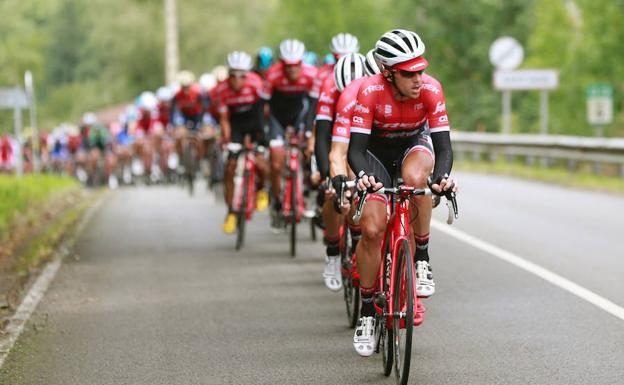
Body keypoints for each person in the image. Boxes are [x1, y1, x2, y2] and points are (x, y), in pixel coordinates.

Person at [347, 29, 458, 357]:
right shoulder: (368, 92)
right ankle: (367, 310)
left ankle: (421, 257)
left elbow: (444, 148)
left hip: (413, 147)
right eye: (409, 73)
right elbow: (355, 151)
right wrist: (365, 177)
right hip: (374, 155)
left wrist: (441, 178)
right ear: (388, 73)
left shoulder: (432, 90)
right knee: (370, 229)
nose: (418, 79)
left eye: (421, 70)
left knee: (416, 181)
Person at [314, 52, 367, 291]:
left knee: (359, 183)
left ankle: (358, 238)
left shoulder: (371, 89)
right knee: (333, 190)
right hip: (335, 136)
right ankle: (333, 251)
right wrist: (328, 175)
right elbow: (322, 136)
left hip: (359, 135)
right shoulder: (329, 88)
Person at [262, 39, 318, 230]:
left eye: (296, 65)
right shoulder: (272, 75)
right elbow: (263, 106)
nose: (292, 70)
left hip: (301, 116)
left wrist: (310, 131)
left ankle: (308, 190)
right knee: (277, 163)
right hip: (277, 118)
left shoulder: (311, 74)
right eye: (288, 65)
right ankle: (277, 202)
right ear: (281, 63)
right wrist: (264, 132)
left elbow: (313, 105)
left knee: (308, 152)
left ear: (302, 62)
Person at [216, 51, 270, 234]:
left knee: (262, 164)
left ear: (247, 75)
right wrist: (226, 139)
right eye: (232, 75)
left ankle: (261, 189)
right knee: (230, 167)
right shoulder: (222, 90)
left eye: (241, 76)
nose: (237, 80)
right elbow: (224, 119)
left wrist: (262, 137)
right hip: (236, 125)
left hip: (255, 123)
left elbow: (264, 111)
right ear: (228, 74)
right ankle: (231, 211)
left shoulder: (256, 83)